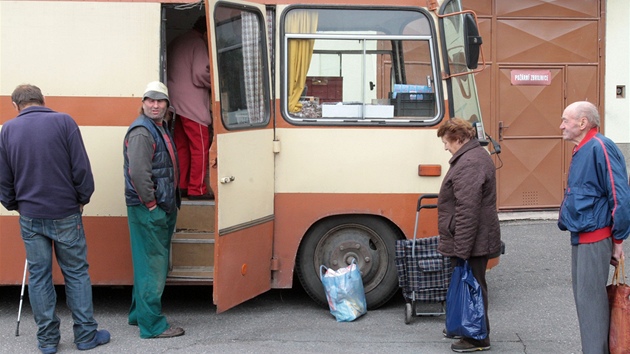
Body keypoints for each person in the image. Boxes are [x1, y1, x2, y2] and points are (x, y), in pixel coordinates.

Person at [0, 84, 110, 353]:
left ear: (16, 106)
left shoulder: (7, 130)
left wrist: (16, 205)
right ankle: (85, 335)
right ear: (43, 100)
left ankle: (48, 341)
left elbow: (4, 179)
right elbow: (81, 168)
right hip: (65, 212)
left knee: (39, 277)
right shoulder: (64, 122)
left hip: (30, 215)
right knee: (76, 274)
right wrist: (82, 199)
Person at [558, 101, 630, 354]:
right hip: (581, 236)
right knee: (586, 302)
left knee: (591, 304)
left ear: (583, 122)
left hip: (595, 237)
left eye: (565, 120)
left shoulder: (600, 146)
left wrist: (618, 242)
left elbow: (620, 196)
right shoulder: (584, 148)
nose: (561, 126)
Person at [123, 81, 185, 339]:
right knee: (153, 267)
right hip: (149, 209)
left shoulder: (158, 127)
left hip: (157, 207)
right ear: (143, 103)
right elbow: (138, 173)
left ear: (167, 106)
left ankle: (139, 315)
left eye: (160, 101)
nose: (154, 104)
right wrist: (152, 205)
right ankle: (153, 326)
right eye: (150, 100)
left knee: (146, 263)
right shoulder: (142, 132)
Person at [436, 118, 501, 353]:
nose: (445, 147)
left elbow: (467, 211)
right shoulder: (473, 156)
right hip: (477, 237)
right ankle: (467, 328)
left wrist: (461, 251)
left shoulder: (469, 163)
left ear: (459, 139)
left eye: (446, 142)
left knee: (473, 286)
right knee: (472, 284)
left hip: (473, 240)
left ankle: (477, 338)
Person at [167, 15, 213, 200]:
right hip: (193, 106)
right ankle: (197, 188)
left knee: (181, 147)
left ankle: (182, 186)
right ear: (206, 32)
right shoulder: (198, 43)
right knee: (200, 147)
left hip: (175, 105)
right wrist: (217, 83)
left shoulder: (177, 40)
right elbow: (200, 74)